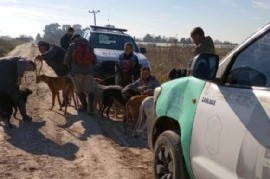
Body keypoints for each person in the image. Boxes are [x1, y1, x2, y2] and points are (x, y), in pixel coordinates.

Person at [64, 34, 97, 115]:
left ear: (74, 39)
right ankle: (91, 109)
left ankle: (84, 106)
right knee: (90, 90)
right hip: (89, 71)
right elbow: (95, 60)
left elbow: (66, 59)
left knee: (78, 89)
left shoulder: (72, 46)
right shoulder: (89, 46)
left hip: (76, 71)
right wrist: (91, 67)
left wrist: (69, 69)